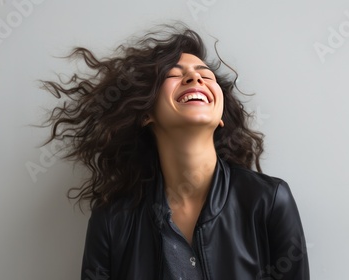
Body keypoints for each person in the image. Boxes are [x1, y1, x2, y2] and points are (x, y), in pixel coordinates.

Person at [42, 24, 309, 280]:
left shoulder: (269, 201)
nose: (195, 78)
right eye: (174, 74)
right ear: (146, 113)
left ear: (220, 117)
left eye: (206, 76)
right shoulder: (112, 219)